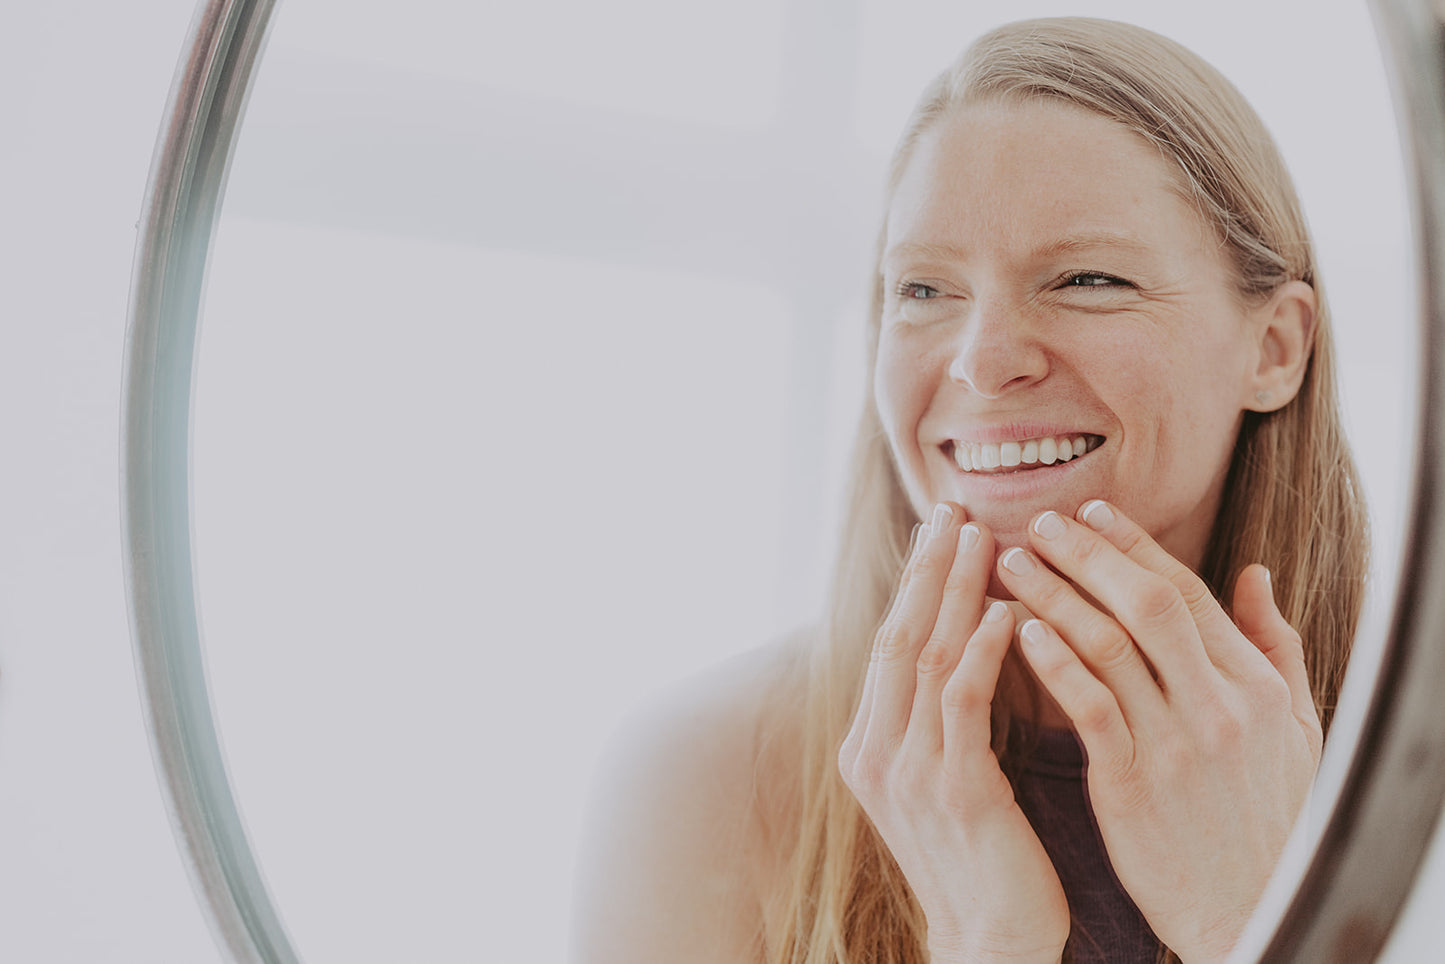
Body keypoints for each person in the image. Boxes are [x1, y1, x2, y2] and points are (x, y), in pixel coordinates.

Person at [571, 17, 1367, 964]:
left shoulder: (1407, 761)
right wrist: (988, 945)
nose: (983, 362)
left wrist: (1253, 923)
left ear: (1273, 349)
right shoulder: (707, 781)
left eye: (1087, 278)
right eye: (922, 291)